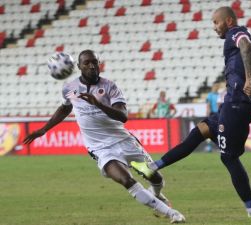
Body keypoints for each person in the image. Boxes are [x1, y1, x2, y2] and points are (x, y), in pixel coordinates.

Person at [131, 7, 251, 225]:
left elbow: (243, 45)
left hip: (236, 103)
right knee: (201, 130)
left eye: (216, 22)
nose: (214, 27)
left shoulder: (237, 33)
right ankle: (152, 167)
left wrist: (248, 82)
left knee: (228, 157)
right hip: (238, 105)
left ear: (229, 20)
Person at [23, 50, 185, 223]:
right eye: (86, 63)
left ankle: (157, 193)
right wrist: (44, 129)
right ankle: (171, 213)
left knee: (153, 176)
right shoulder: (70, 89)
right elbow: (65, 108)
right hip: (100, 148)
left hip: (124, 141)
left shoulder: (109, 87)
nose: (92, 66)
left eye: (94, 62)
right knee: (126, 179)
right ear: (79, 66)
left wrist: (99, 104)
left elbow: (123, 116)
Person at [205, 82, 220, 152]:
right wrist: (208, 114)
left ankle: (219, 146)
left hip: (219, 114)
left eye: (217, 86)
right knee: (210, 131)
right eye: (215, 86)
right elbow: (208, 105)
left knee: (219, 131)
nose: (216, 88)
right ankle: (209, 147)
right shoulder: (210, 95)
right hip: (212, 114)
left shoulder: (219, 95)